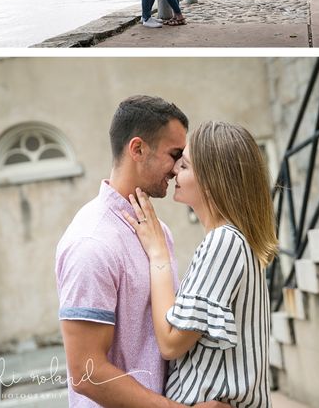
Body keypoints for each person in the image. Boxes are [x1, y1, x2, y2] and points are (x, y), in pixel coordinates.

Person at [55, 96, 227, 408]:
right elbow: (86, 372)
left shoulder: (159, 232)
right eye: (174, 155)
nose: (178, 169)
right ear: (137, 149)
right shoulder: (91, 243)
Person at [124, 120, 278, 407]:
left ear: (213, 179)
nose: (174, 171)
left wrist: (158, 256)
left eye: (185, 166)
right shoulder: (232, 241)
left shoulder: (224, 242)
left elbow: (170, 342)